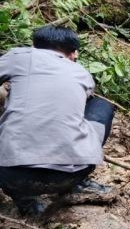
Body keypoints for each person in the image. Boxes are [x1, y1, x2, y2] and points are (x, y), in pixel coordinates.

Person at [0, 25, 115, 216]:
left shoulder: (19, 56)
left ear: (34, 45)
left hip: (11, 176)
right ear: (72, 53)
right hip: (72, 174)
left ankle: (25, 199)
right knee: (102, 106)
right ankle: (79, 184)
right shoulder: (82, 73)